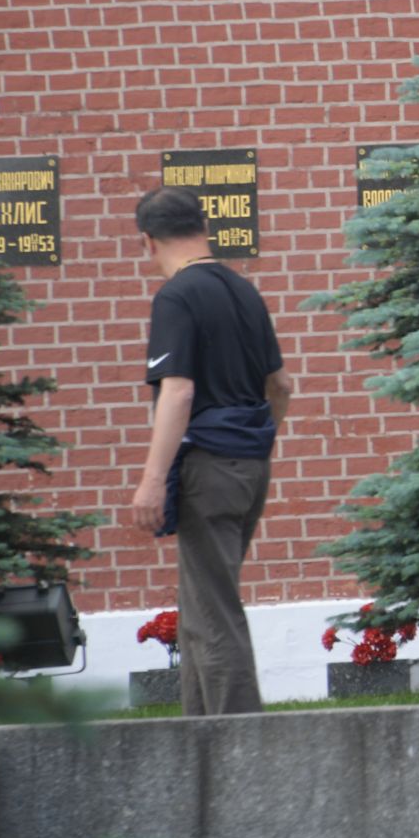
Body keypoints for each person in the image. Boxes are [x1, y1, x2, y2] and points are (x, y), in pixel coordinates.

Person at [127, 186, 291, 715]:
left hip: (209, 468)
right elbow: (281, 387)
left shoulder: (176, 296)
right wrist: (259, 446)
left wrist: (152, 480)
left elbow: (178, 390)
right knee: (201, 607)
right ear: (203, 227)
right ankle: (197, 736)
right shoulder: (245, 291)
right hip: (250, 467)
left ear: (148, 240)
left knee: (214, 610)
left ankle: (238, 746)